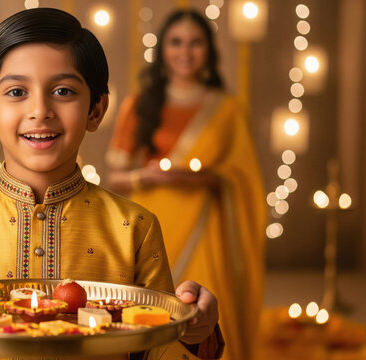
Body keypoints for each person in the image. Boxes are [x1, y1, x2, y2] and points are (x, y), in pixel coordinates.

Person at [0, 8, 223, 360]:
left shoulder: (135, 227)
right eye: (17, 92)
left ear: (96, 110)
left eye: (63, 91)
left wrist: (195, 331)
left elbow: (156, 343)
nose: (40, 110)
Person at [106, 9, 266, 360]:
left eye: (196, 43)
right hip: (152, 227)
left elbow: (244, 177)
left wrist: (200, 178)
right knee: (153, 314)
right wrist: (146, 176)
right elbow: (115, 177)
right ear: (163, 48)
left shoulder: (226, 110)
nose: (185, 52)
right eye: (176, 42)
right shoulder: (140, 105)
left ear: (208, 50)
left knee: (201, 314)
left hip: (208, 232)